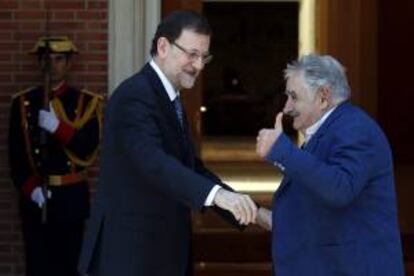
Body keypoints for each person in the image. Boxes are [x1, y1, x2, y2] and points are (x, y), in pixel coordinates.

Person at [78, 10, 257, 276]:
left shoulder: (168, 97)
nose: (198, 65)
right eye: (191, 54)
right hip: (131, 256)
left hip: (162, 253)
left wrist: (247, 210)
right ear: (163, 46)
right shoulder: (134, 96)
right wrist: (219, 196)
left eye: (203, 57)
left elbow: (190, 167)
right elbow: (154, 163)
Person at [255, 54, 404, 275]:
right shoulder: (329, 130)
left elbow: (340, 188)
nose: (286, 108)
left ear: (323, 97)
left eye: (294, 97)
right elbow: (317, 206)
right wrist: (259, 215)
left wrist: (282, 150)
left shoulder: (355, 128)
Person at [8, 36, 103, 276]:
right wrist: (32, 190)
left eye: (59, 59)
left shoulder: (86, 102)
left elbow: (88, 148)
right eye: (47, 59)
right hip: (36, 201)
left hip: (70, 199)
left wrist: (57, 127)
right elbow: (16, 158)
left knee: (70, 266)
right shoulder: (23, 103)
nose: (52, 64)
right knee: (38, 266)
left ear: (69, 63)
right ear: (40, 63)